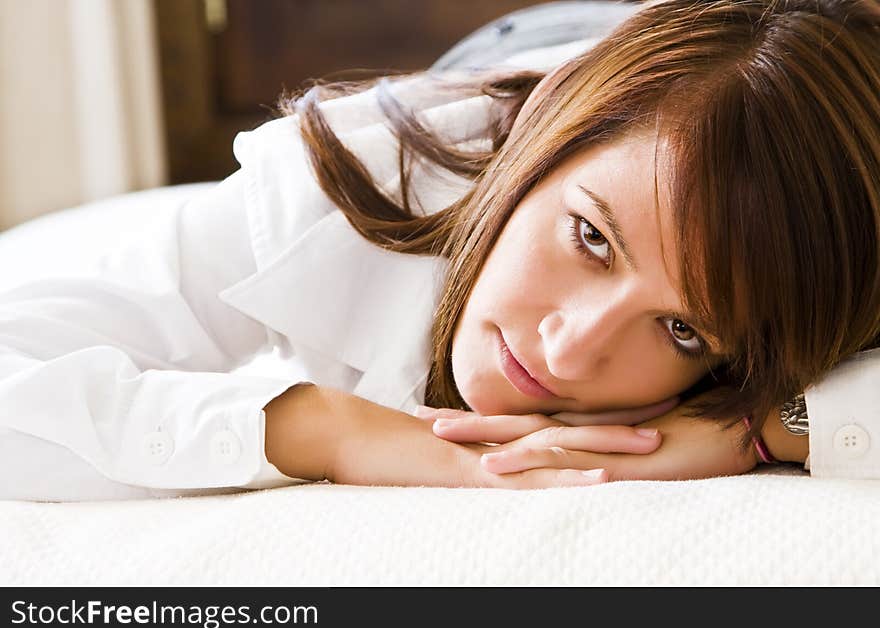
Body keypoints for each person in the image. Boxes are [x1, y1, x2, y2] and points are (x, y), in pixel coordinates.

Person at [2, 0, 879, 501]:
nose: (571, 349)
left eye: (684, 329)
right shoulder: (336, 189)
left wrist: (762, 430)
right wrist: (320, 428)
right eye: (590, 238)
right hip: (531, 49)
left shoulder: (820, 253)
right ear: (542, 145)